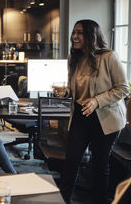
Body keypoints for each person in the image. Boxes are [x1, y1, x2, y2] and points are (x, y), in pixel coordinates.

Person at [52, 20, 129, 204]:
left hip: (105, 117)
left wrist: (97, 101)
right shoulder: (74, 57)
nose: (74, 37)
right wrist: (66, 91)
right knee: (70, 162)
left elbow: (123, 89)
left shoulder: (109, 57)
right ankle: (63, 200)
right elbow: (75, 88)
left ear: (92, 35)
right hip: (81, 114)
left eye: (80, 33)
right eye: (74, 32)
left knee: (99, 166)